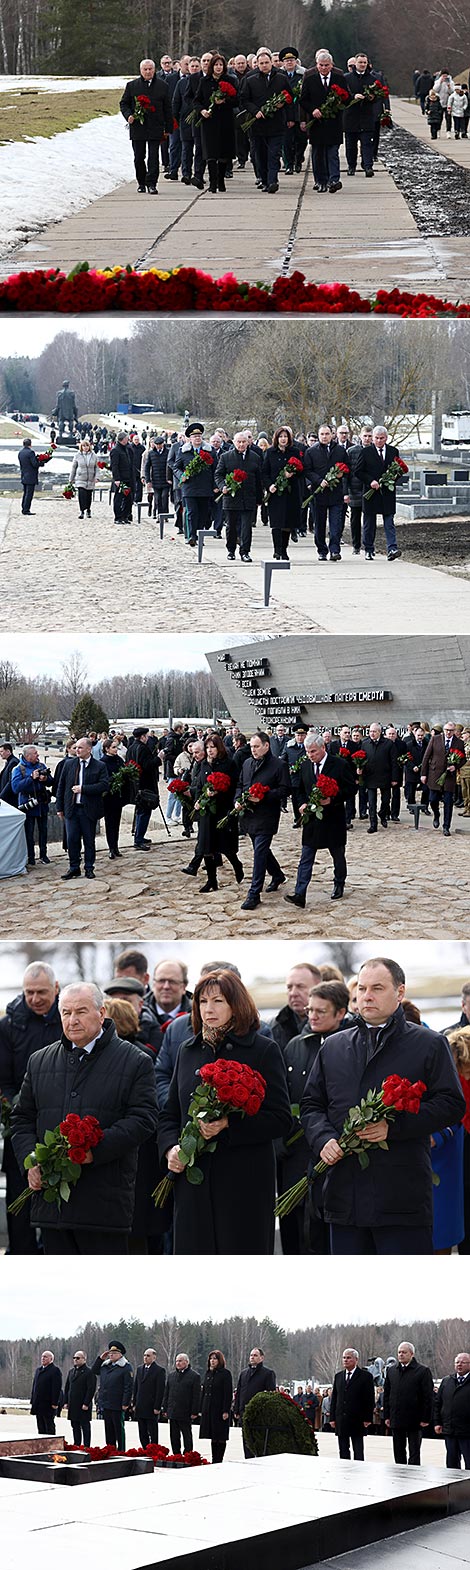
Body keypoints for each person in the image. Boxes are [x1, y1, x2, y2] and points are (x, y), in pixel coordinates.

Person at [300, 956, 466, 1255]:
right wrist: (323, 1139)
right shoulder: (334, 1046)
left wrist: (394, 1127)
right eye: (362, 988)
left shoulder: (429, 1044)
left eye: (377, 988)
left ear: (399, 993)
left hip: (401, 1197)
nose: (367, 996)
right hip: (344, 1195)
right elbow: (312, 1104)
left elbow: (452, 1104)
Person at [11, 981, 159, 1254]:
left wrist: (95, 1150)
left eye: (80, 1011)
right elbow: (21, 1118)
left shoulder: (136, 1061)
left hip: (104, 1202)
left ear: (101, 1014)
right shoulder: (39, 1061)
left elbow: (144, 1118)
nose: (72, 1020)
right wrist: (29, 1161)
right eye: (66, 1013)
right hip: (52, 1203)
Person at [157, 969, 291, 1254]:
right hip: (193, 1183)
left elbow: (280, 1119)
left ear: (236, 1004)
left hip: (244, 1183)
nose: (209, 1009)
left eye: (218, 1001)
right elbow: (170, 1113)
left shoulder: (263, 1050)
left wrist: (229, 1124)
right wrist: (170, 1149)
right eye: (202, 1002)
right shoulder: (187, 1050)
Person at [278, 980, 350, 1255]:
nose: (312, 1016)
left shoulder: (350, 1044)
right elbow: (282, 1095)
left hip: (336, 1153)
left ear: (340, 1013)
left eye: (321, 1011)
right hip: (296, 1155)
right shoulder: (295, 1045)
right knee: (296, 1231)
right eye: (310, 1010)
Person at [0, 961, 61, 1254]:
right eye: (29, 992)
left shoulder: (68, 1018)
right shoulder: (9, 1025)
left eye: (41, 992)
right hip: (21, 1124)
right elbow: (3, 1079)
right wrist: (17, 1107)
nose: (35, 999)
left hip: (61, 1123)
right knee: (20, 1199)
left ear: (56, 989)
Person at [285, 728, 355, 907]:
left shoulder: (339, 764)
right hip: (312, 820)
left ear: (323, 747)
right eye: (308, 752)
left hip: (333, 819)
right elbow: (299, 788)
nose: (310, 755)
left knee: (337, 855)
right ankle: (300, 893)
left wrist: (332, 799)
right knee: (306, 856)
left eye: (313, 751)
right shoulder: (305, 764)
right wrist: (301, 804)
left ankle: (339, 883)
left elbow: (350, 789)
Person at [234, 730, 287, 909]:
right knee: (261, 849)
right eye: (251, 747)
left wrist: (264, 796)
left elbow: (284, 790)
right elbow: (241, 785)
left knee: (259, 852)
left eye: (257, 746)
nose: (253, 750)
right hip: (249, 815)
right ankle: (277, 874)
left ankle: (254, 893)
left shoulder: (279, 765)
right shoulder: (247, 763)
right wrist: (237, 800)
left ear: (266, 746)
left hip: (267, 816)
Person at [192, 733, 243, 892]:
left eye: (212, 747)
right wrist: (198, 800)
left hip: (222, 810)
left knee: (224, 845)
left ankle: (237, 865)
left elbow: (235, 786)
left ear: (219, 747)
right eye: (207, 748)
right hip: (207, 812)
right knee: (207, 846)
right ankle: (212, 881)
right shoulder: (203, 765)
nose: (209, 751)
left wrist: (220, 793)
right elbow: (199, 785)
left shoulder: (228, 764)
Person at [55, 735, 108, 879]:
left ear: (89, 749)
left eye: (80, 747)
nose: (77, 750)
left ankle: (89, 867)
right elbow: (61, 787)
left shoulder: (99, 766)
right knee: (72, 839)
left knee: (89, 840)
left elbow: (104, 785)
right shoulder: (69, 764)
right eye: (76, 747)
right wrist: (59, 807)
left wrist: (83, 789)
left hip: (88, 809)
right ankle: (74, 867)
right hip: (72, 809)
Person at [239, 47, 291, 193]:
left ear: (271, 63)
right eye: (261, 63)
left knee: (274, 154)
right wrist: (255, 111)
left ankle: (273, 180)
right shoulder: (250, 80)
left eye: (266, 62)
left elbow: (290, 96)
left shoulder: (281, 78)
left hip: (276, 123)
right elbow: (244, 100)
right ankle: (264, 179)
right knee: (260, 155)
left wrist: (284, 103)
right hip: (258, 125)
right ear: (257, 64)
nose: (264, 65)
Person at [120, 59, 173, 192]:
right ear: (140, 70)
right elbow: (124, 103)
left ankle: (152, 183)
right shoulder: (132, 85)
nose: (148, 72)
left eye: (150, 69)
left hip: (156, 125)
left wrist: (169, 128)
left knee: (153, 156)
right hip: (138, 126)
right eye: (145, 69)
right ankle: (141, 182)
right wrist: (129, 116)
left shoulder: (162, 86)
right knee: (139, 156)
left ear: (154, 70)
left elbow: (167, 108)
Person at [300, 50, 348, 193]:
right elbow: (303, 100)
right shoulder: (310, 79)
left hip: (333, 122)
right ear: (317, 65)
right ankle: (320, 180)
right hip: (316, 123)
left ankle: (334, 179)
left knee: (332, 152)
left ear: (331, 65)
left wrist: (338, 103)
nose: (324, 68)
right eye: (321, 65)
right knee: (318, 153)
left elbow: (347, 97)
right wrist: (313, 110)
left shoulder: (339, 79)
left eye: (326, 65)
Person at [354, 426, 403, 560]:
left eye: (382, 438)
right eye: (376, 438)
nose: (379, 441)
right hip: (371, 492)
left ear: (386, 438)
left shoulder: (393, 451)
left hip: (387, 492)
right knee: (369, 522)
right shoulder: (366, 452)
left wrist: (392, 479)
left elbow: (398, 470)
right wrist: (371, 481)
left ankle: (392, 548)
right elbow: (358, 471)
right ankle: (369, 549)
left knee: (389, 521)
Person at [215, 430, 262, 561]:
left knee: (247, 527)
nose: (241, 444)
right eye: (239, 442)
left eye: (243, 442)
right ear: (234, 443)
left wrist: (259, 498)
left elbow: (258, 480)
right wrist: (223, 486)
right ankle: (231, 550)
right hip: (231, 498)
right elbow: (218, 474)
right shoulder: (226, 457)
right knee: (231, 526)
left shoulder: (255, 457)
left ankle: (245, 551)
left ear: (248, 443)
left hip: (248, 497)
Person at [383, 1343, 434, 1464]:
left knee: (414, 1451)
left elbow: (428, 1397)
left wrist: (426, 1418)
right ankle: (400, 1473)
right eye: (399, 1352)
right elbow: (387, 1395)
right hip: (396, 1417)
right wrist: (387, 1416)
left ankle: (413, 1474)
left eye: (404, 1352)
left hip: (415, 1419)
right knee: (398, 1450)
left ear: (412, 1354)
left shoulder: (422, 1371)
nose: (401, 1354)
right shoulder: (391, 1371)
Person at [194, 54, 237, 193]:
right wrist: (202, 111)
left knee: (224, 152)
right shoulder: (204, 81)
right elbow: (197, 101)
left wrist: (224, 102)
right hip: (209, 121)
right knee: (211, 153)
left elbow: (237, 100)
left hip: (225, 120)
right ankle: (213, 182)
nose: (218, 67)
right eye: (216, 65)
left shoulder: (230, 80)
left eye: (220, 65)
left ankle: (221, 180)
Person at [263, 427, 303, 559]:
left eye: (285, 436)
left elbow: (301, 471)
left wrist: (293, 474)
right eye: (281, 437)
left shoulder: (295, 452)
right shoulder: (270, 453)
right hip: (276, 493)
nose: (283, 439)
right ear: (276, 438)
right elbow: (264, 473)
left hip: (290, 492)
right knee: (276, 522)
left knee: (287, 522)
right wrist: (269, 486)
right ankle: (277, 549)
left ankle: (284, 549)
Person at [174, 421, 215, 545]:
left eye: (199, 436)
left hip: (205, 487)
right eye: (194, 436)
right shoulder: (183, 451)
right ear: (190, 439)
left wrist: (215, 486)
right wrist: (182, 476)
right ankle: (192, 536)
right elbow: (176, 467)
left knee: (203, 513)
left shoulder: (209, 451)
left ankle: (199, 534)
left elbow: (215, 469)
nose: (197, 438)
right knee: (192, 512)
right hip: (189, 487)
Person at [10, 745, 53, 867]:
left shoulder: (41, 766)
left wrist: (45, 779)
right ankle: (31, 857)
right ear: (27, 756)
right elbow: (16, 788)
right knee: (29, 832)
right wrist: (31, 778)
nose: (38, 756)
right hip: (27, 804)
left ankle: (44, 855)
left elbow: (51, 781)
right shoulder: (18, 769)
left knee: (43, 830)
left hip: (42, 803)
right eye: (35, 754)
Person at [330, 1349, 375, 1459]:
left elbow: (370, 1399)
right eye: (344, 1357)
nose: (346, 1360)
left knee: (358, 1450)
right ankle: (345, 1471)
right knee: (343, 1449)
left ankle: (359, 1472)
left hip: (358, 1419)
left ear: (356, 1359)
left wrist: (368, 1418)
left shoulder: (365, 1376)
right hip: (342, 1419)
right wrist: (332, 1418)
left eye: (349, 1358)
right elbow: (335, 1398)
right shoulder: (338, 1376)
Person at [421, 722, 462, 836]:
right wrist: (423, 774)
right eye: (447, 730)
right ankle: (436, 814)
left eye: (451, 730)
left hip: (449, 777)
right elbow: (426, 756)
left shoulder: (459, 743)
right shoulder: (435, 739)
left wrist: (456, 766)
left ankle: (446, 826)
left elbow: (462, 758)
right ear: (444, 730)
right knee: (433, 799)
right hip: (435, 774)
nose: (449, 732)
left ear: (454, 731)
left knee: (448, 802)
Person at [234, 1348, 276, 1456]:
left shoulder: (268, 1373)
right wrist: (237, 1410)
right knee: (246, 1441)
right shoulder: (244, 1373)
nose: (252, 1357)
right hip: (244, 1412)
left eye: (255, 1355)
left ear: (262, 1358)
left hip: (259, 1414)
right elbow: (239, 1392)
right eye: (251, 1355)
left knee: (259, 1442)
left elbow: (271, 1395)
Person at [92, 1341, 133, 1450]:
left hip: (117, 1403)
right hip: (106, 1402)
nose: (111, 1355)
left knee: (118, 1429)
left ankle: (121, 1450)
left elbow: (128, 1387)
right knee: (108, 1429)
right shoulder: (106, 1366)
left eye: (114, 1353)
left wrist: (125, 1403)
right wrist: (100, 1359)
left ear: (120, 1354)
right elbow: (94, 1371)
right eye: (110, 1353)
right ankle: (110, 1449)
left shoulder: (125, 1367)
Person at [271, 962, 322, 1050]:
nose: (293, 993)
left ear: (318, 987)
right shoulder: (275, 1027)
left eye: (300, 986)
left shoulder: (331, 1024)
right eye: (289, 987)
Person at [125, 726, 160, 850]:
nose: (148, 738)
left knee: (141, 811)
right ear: (143, 737)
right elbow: (148, 765)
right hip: (145, 784)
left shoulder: (131, 747)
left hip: (136, 784)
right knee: (144, 811)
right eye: (147, 736)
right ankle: (138, 839)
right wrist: (159, 758)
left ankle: (140, 835)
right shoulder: (142, 748)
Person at [434, 1353, 470, 1469]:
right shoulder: (447, 1381)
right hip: (450, 1430)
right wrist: (437, 1422)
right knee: (452, 1464)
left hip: (467, 1431)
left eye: (463, 1362)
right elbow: (438, 1403)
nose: (459, 1365)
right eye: (457, 1362)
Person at [343, 52, 376, 176]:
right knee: (351, 144)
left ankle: (368, 166)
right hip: (351, 116)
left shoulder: (372, 79)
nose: (362, 65)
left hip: (366, 116)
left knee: (367, 143)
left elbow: (378, 97)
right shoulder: (346, 78)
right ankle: (351, 166)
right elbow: (342, 95)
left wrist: (372, 97)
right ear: (355, 64)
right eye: (360, 62)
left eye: (364, 63)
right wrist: (353, 96)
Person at [361, 722, 396, 832]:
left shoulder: (388, 743)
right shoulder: (365, 743)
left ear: (379, 732)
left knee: (386, 800)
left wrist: (394, 778)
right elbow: (361, 759)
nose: (372, 733)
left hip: (385, 776)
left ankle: (382, 813)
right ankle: (373, 824)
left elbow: (394, 762)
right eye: (370, 731)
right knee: (371, 803)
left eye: (374, 731)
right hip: (370, 777)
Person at [163, 1354, 201, 1454]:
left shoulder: (194, 1376)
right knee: (174, 1435)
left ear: (186, 1362)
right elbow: (167, 1393)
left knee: (186, 1435)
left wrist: (195, 1411)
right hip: (173, 1411)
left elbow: (196, 1396)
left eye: (180, 1361)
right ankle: (176, 1454)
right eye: (176, 1361)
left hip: (186, 1411)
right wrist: (165, 1408)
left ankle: (188, 1453)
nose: (178, 1363)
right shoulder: (171, 1376)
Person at [199, 1350, 233, 1462]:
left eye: (215, 1359)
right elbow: (204, 1392)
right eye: (211, 1359)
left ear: (220, 1360)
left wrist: (225, 1410)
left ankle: (219, 1458)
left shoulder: (225, 1374)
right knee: (213, 1435)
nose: (212, 1361)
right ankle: (214, 1458)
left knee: (220, 1436)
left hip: (219, 1409)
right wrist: (201, 1408)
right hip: (209, 1408)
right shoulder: (208, 1373)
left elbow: (227, 1393)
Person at [133, 1349, 166, 1447]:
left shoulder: (159, 1370)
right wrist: (134, 1403)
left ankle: (153, 1448)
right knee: (142, 1431)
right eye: (144, 1355)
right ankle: (144, 1448)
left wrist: (157, 1406)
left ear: (154, 1357)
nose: (145, 1357)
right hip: (140, 1405)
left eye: (148, 1355)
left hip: (151, 1406)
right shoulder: (139, 1369)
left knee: (152, 1430)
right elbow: (136, 1387)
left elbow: (160, 1390)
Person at [64, 1351, 96, 1447]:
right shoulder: (71, 1372)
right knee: (75, 1425)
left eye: (78, 1358)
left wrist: (86, 1403)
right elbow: (67, 1388)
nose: (75, 1360)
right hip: (73, 1404)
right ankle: (76, 1444)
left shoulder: (89, 1372)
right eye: (74, 1358)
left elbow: (91, 1389)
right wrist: (66, 1401)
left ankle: (86, 1446)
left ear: (84, 1359)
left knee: (85, 1426)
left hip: (83, 1405)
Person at [30, 1351, 62, 1434]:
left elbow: (56, 1388)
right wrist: (32, 1400)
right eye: (42, 1356)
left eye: (45, 1357)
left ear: (51, 1359)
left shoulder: (55, 1370)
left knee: (49, 1426)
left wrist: (55, 1402)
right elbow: (35, 1386)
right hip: (38, 1403)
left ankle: (51, 1444)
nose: (43, 1358)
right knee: (40, 1426)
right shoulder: (38, 1370)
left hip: (48, 1404)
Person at [68, 439, 98, 519]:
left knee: (88, 496)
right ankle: (82, 511)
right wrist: (71, 478)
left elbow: (97, 467)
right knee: (82, 495)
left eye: (87, 446)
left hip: (90, 479)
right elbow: (74, 467)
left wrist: (97, 477)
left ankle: (88, 509)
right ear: (81, 447)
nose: (85, 447)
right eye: (84, 446)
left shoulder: (94, 456)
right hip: (80, 478)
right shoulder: (77, 455)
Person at [110, 433, 134, 524]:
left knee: (128, 498)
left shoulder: (126, 449)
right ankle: (118, 517)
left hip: (128, 478)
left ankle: (125, 516)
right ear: (123, 439)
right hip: (121, 479)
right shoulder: (115, 450)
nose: (128, 440)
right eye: (127, 439)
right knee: (119, 498)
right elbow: (114, 466)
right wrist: (116, 479)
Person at [18, 437, 39, 515]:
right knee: (29, 494)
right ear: (30, 444)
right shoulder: (31, 452)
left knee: (25, 493)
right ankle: (26, 509)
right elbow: (35, 464)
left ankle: (24, 507)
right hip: (31, 475)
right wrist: (41, 462)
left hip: (24, 474)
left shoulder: (20, 452)